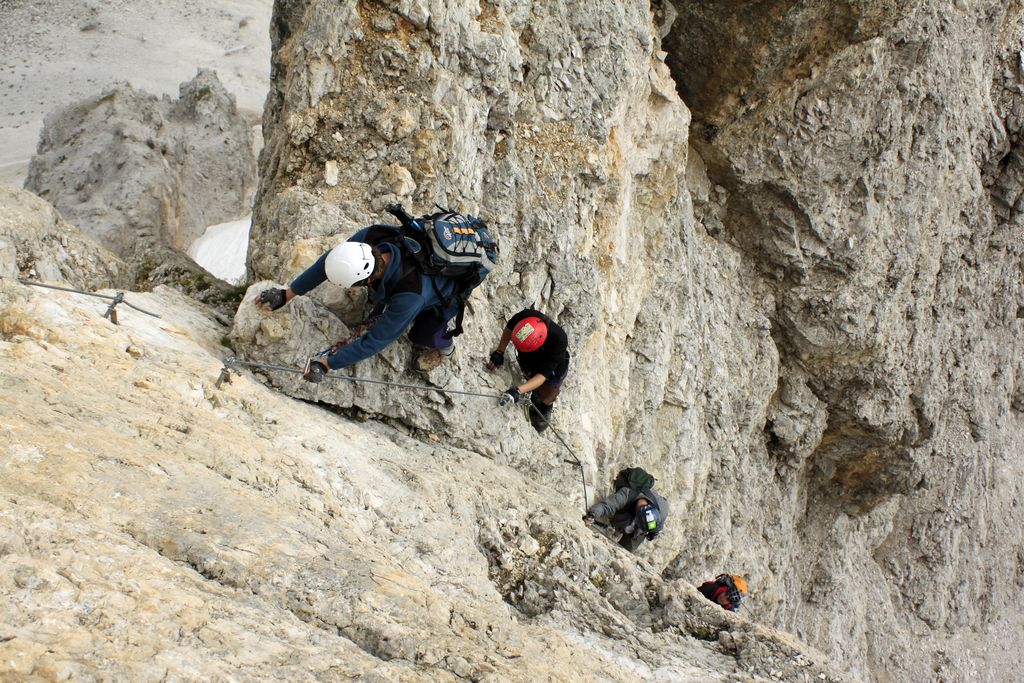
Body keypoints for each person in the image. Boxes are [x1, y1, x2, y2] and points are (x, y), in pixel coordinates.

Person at [255, 221, 459, 382]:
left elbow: (375, 342)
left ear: (368, 280)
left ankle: (445, 348)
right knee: (380, 310)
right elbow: (328, 262)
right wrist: (287, 294)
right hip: (408, 278)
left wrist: (327, 364)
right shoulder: (370, 238)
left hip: (445, 291)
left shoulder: (410, 297)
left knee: (421, 334)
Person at [485, 308, 570, 433]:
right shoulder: (526, 317)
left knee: (548, 392)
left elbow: (541, 376)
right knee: (529, 375)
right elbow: (509, 327)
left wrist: (518, 391)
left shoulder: (559, 340)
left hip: (554, 366)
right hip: (529, 357)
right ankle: (532, 390)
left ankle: (545, 406)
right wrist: (500, 351)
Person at [582, 474, 669, 552]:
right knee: (623, 523)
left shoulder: (663, 508)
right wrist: (592, 515)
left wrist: (653, 533)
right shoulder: (625, 496)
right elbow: (606, 506)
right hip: (626, 517)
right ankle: (619, 530)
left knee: (626, 551)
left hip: (640, 531)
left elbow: (658, 526)